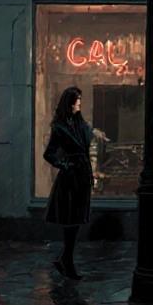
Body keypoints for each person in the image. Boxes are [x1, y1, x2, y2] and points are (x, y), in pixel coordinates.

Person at [43, 86, 108, 279]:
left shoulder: (81, 125)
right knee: (70, 220)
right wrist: (63, 165)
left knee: (76, 220)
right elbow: (49, 154)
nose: (79, 102)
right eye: (76, 99)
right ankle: (67, 261)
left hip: (82, 176)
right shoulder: (60, 128)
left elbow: (90, 132)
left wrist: (97, 134)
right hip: (71, 178)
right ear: (69, 102)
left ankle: (65, 259)